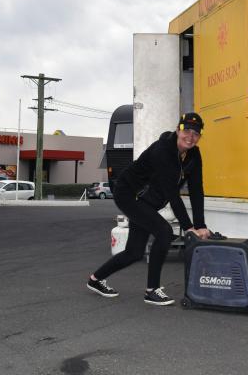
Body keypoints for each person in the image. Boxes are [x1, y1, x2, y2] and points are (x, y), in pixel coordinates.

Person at [87, 112, 210, 306]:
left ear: (200, 136)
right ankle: (152, 290)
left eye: (196, 133)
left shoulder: (193, 155)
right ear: (178, 130)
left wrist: (201, 225)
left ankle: (95, 279)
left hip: (148, 201)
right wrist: (188, 227)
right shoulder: (163, 150)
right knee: (164, 232)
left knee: (134, 252)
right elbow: (172, 194)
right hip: (129, 194)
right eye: (186, 130)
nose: (190, 136)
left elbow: (197, 190)